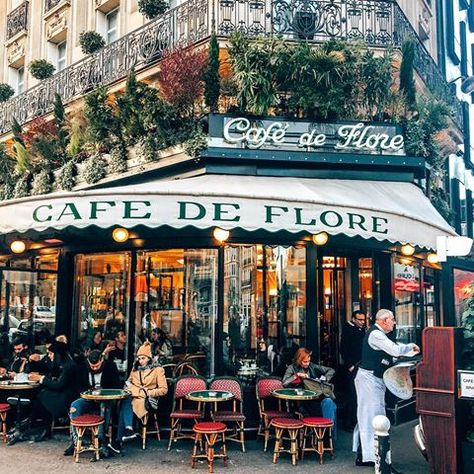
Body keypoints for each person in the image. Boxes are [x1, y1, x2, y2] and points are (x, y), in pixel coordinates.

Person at [352, 309, 420, 468]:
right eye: (392, 319)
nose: (394, 322)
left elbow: (393, 348)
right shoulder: (376, 334)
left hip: (374, 379)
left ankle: (368, 455)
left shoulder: (379, 334)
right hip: (369, 379)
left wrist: (407, 349)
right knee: (372, 417)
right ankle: (373, 457)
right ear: (383, 321)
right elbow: (394, 350)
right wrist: (410, 347)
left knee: (371, 416)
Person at [8, 341, 78, 445]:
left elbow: (59, 384)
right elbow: (51, 375)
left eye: (50, 353)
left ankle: (30, 423)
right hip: (61, 394)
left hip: (67, 398)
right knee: (41, 394)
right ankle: (34, 424)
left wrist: (41, 378)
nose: (48, 356)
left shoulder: (67, 366)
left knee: (42, 395)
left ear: (57, 354)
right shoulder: (62, 363)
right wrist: (40, 375)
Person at [108, 341, 167, 455]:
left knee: (126, 405)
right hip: (134, 397)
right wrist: (135, 390)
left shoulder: (158, 370)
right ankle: (128, 430)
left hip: (147, 400)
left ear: (149, 358)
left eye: (143, 358)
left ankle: (119, 440)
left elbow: (164, 390)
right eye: (139, 358)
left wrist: (146, 392)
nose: (141, 361)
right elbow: (127, 384)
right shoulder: (135, 369)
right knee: (126, 401)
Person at [63, 350, 122, 457]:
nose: (94, 368)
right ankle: (75, 441)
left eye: (97, 366)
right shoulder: (82, 367)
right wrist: (88, 392)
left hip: (106, 400)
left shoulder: (110, 366)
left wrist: (103, 392)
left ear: (102, 360)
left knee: (104, 407)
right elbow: (78, 386)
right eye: (92, 366)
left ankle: (101, 441)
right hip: (88, 399)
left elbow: (116, 385)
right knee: (74, 406)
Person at [282, 347, 337, 437]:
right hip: (303, 402)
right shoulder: (292, 368)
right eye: (305, 362)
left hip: (316, 398)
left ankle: (328, 436)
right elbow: (284, 383)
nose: (307, 364)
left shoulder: (312, 366)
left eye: (308, 361)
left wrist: (324, 379)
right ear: (299, 360)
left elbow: (331, 370)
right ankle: (326, 436)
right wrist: (296, 375)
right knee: (331, 407)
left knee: (329, 402)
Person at [340, 310, 367, 430]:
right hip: (353, 366)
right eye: (360, 320)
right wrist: (350, 364)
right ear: (353, 319)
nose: (362, 322)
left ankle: (355, 421)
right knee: (353, 395)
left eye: (363, 319)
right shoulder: (348, 330)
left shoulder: (362, 330)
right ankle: (348, 422)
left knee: (359, 395)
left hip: (361, 365)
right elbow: (344, 348)